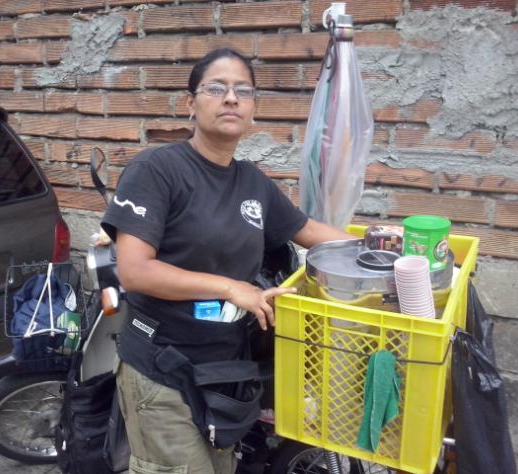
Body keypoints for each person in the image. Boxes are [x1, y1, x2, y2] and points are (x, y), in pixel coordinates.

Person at [100, 47, 355, 474]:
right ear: (191, 103)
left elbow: (308, 231)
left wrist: (384, 247)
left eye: (243, 90)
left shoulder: (252, 181)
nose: (232, 98)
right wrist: (231, 288)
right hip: (164, 367)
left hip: (225, 368)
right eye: (216, 88)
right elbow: (135, 270)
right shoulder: (157, 170)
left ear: (253, 109)